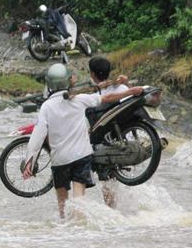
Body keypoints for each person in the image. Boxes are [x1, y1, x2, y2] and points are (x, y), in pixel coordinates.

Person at [22, 63, 143, 218]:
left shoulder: (46, 107)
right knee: (79, 200)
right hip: (81, 156)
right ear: (67, 81)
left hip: (60, 160)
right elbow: (107, 98)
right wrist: (131, 91)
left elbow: (37, 137)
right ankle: (80, 229)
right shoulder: (80, 100)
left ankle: (66, 231)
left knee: (62, 205)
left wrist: (29, 162)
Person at [87, 55, 129, 208]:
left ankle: (111, 211)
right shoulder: (122, 88)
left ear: (92, 74)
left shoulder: (93, 97)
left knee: (106, 180)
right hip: (120, 138)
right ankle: (114, 209)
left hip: (102, 144)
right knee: (112, 180)